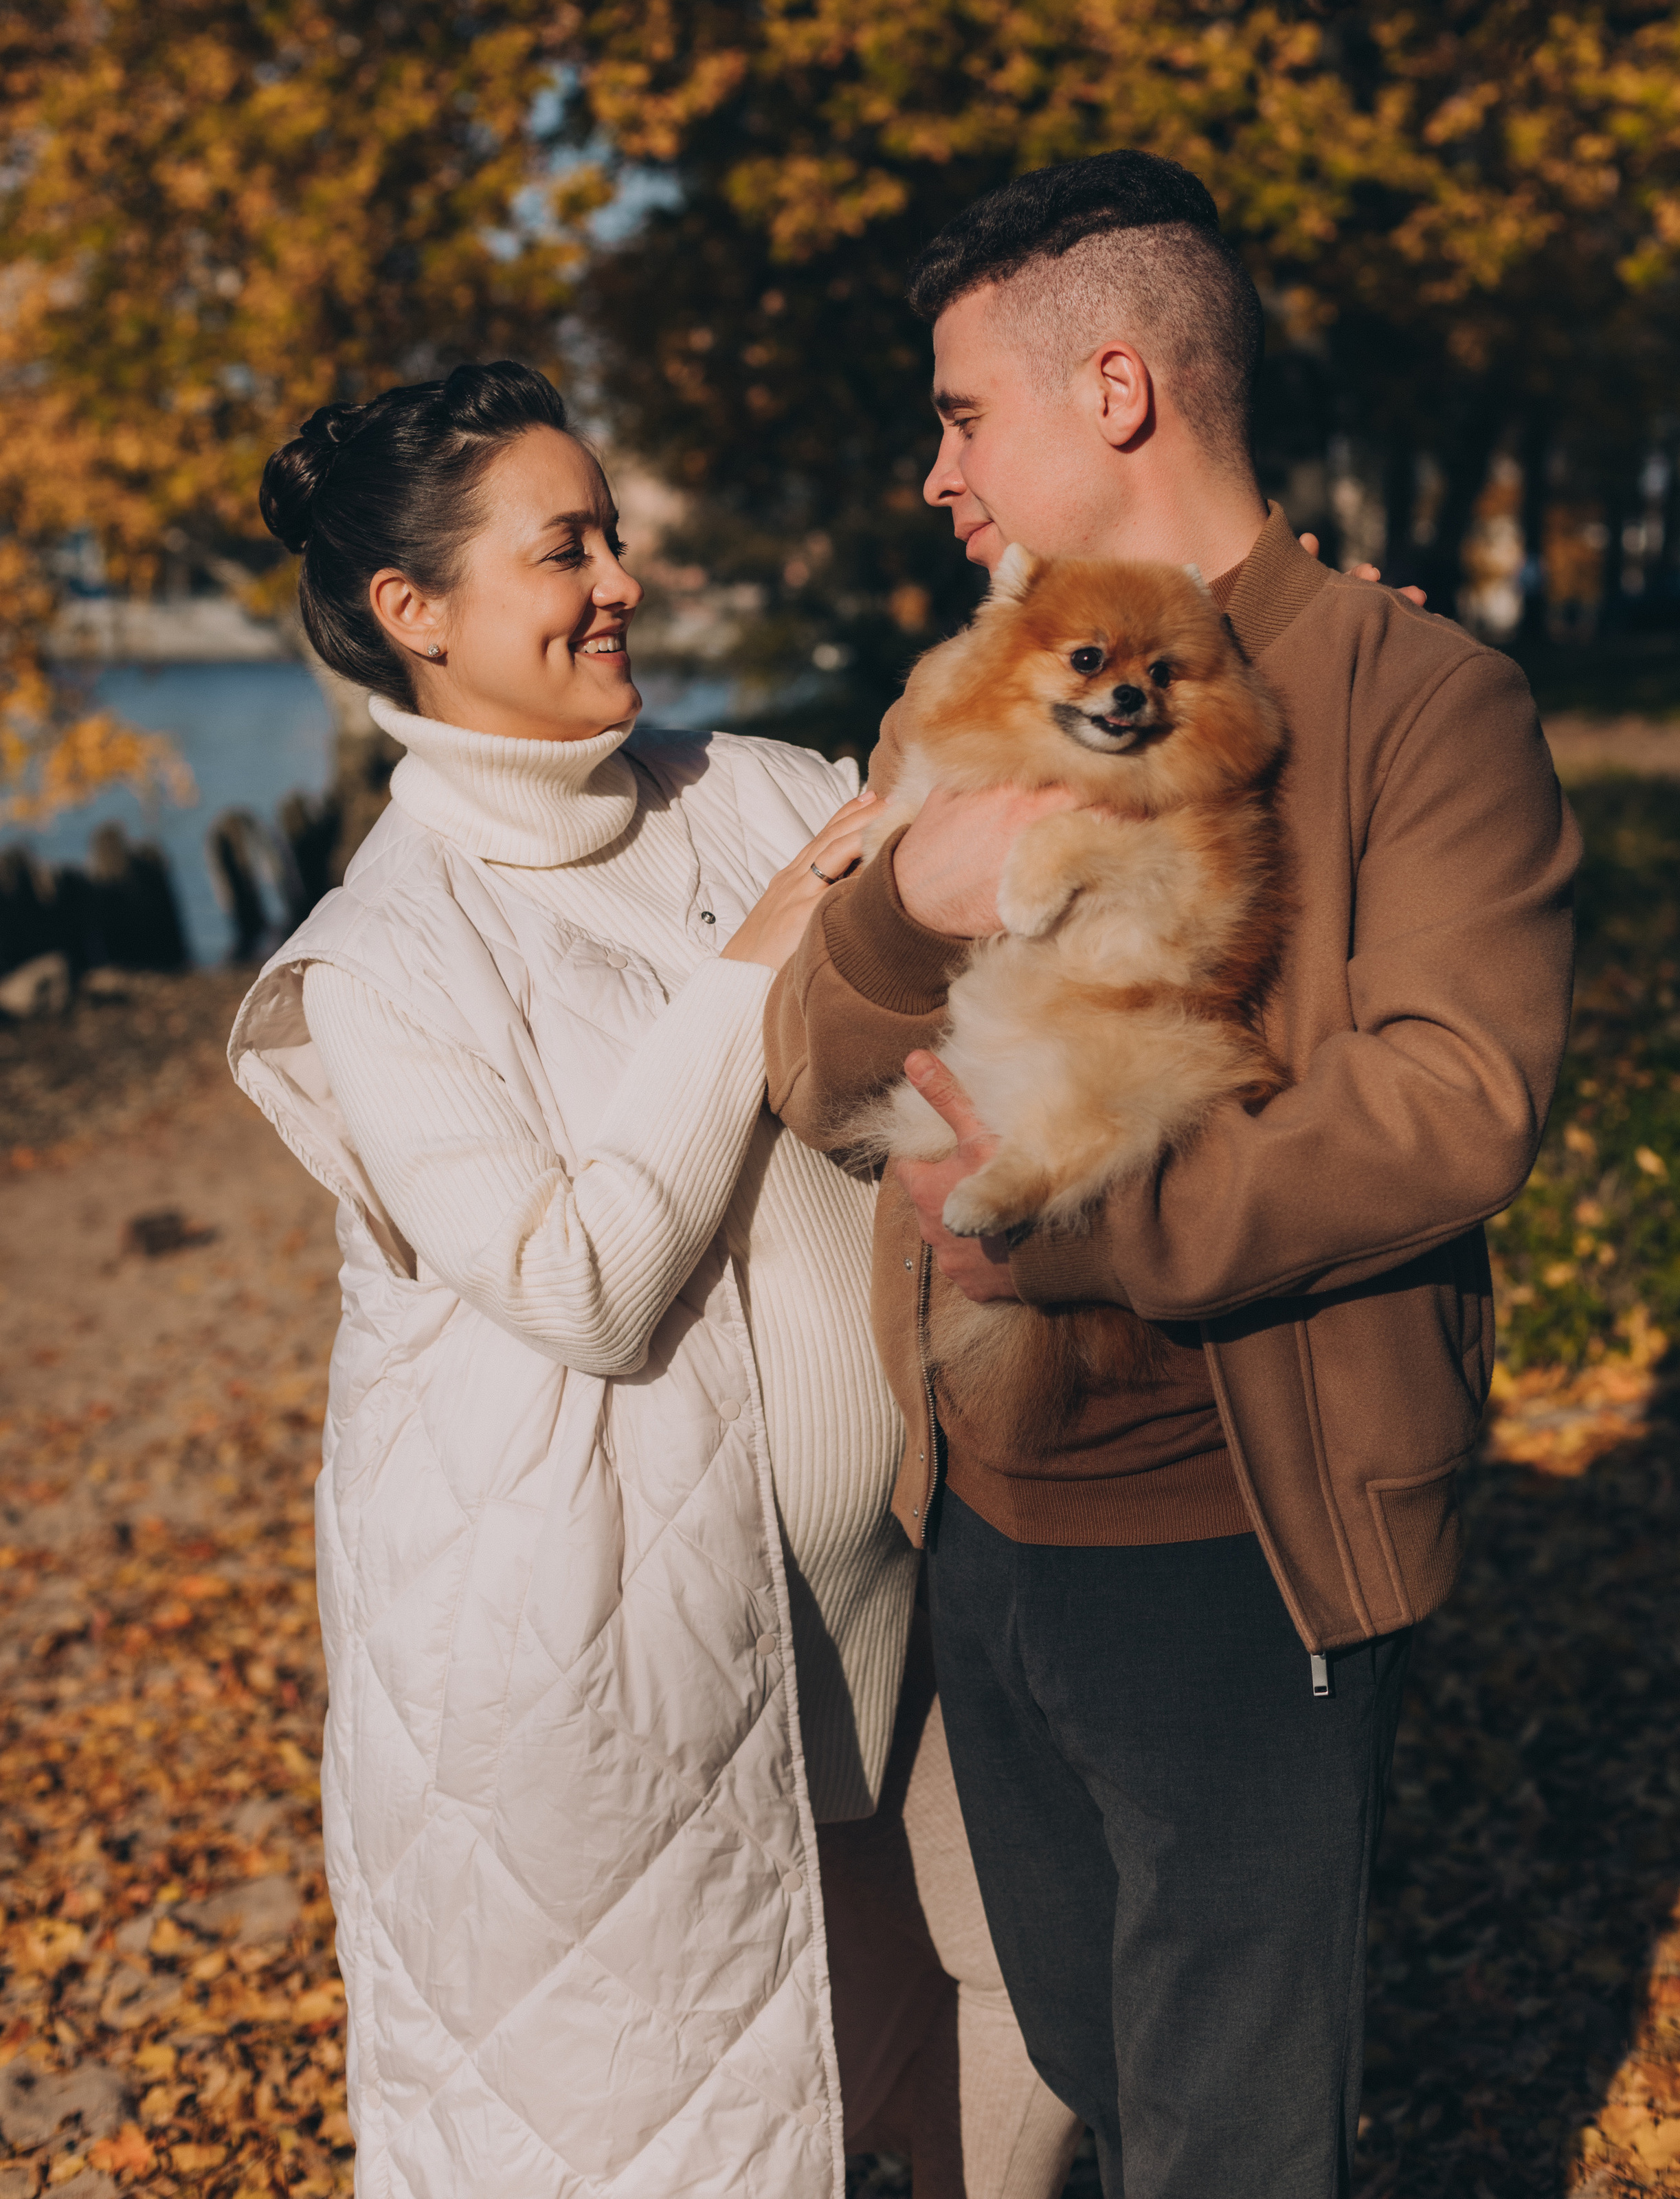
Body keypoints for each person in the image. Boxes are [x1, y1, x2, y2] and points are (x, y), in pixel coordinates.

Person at [767, 152, 1581, 2199]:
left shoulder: (1419, 700)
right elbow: (808, 1068)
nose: (939, 473)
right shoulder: (962, 695)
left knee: (1231, 2136)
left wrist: (1067, 1224)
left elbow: (1453, 1099)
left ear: (1115, 388)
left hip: (1245, 1541)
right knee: (1092, 2066)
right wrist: (906, 905)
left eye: (965, 415)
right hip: (985, 1526)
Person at [229, 363, 1080, 2199]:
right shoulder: (382, 962)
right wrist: (749, 964)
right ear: (415, 611)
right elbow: (583, 1284)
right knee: (712, 2123)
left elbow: (1027, 829)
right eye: (566, 550)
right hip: (638, 1670)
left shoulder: (753, 790)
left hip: (917, 1582)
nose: (623, 579)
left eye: (612, 535)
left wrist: (1292, 660)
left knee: (1030, 2009)